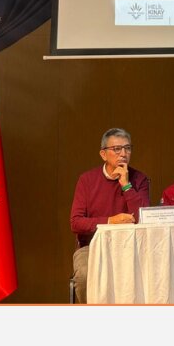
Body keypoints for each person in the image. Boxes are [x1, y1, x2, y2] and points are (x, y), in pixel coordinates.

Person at [70, 128, 150, 303]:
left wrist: (126, 185)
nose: (123, 154)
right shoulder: (87, 180)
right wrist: (110, 221)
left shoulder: (139, 179)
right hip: (92, 246)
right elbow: (76, 223)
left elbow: (143, 220)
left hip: (131, 247)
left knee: (150, 274)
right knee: (84, 276)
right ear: (103, 154)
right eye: (117, 149)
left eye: (127, 148)